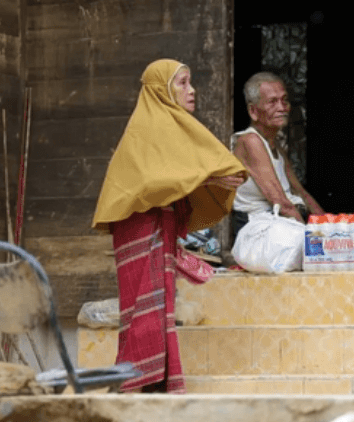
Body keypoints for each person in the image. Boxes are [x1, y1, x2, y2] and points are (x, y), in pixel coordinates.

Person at [92, 59, 247, 393]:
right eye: (182, 83)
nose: (192, 91)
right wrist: (211, 175)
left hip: (158, 224)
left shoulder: (174, 126)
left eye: (191, 82)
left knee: (161, 306)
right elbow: (150, 183)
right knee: (143, 306)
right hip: (139, 228)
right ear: (160, 90)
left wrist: (211, 177)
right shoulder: (146, 128)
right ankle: (135, 384)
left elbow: (177, 179)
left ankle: (157, 384)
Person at [230, 72, 325, 236]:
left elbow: (300, 192)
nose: (282, 108)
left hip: (283, 223)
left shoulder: (275, 145)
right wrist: (313, 238)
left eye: (284, 100)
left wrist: (330, 225)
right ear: (253, 111)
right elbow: (281, 204)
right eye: (272, 102)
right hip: (260, 229)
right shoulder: (250, 141)